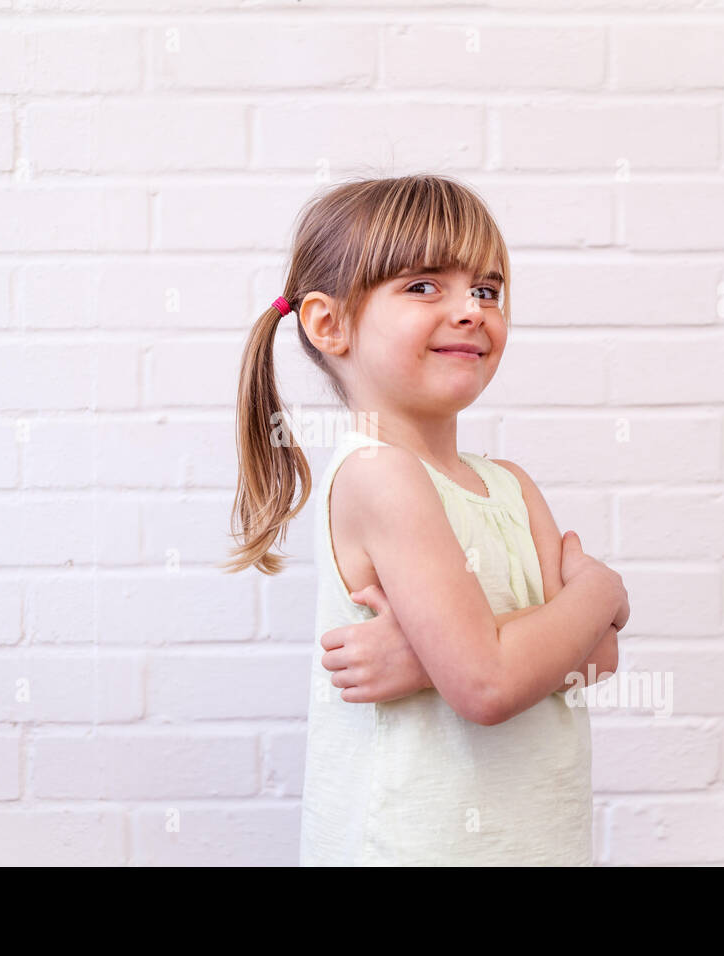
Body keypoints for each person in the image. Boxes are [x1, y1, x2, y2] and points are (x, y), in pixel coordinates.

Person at [221, 174, 629, 865]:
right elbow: (492, 684)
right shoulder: (380, 475)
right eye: (423, 286)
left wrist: (428, 658)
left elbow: (594, 659)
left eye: (487, 289)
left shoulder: (510, 486)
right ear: (330, 323)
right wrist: (602, 593)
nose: (471, 309)